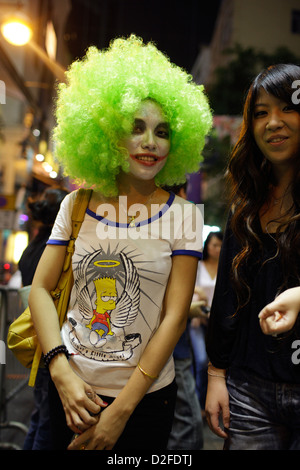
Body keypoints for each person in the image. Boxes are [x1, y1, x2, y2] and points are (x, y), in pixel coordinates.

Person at [28, 35, 212, 450]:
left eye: (162, 131)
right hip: (71, 392)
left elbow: (174, 317)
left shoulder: (185, 215)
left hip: (145, 400)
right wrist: (61, 372)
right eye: (136, 127)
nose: (150, 142)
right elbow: (40, 288)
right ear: (108, 134)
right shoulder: (76, 205)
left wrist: (121, 411)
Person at [205, 63, 300, 450]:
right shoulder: (244, 207)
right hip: (248, 392)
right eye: (261, 113)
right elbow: (228, 296)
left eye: (286, 108)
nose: (273, 122)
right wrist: (215, 374)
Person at [18, 187, 68, 450]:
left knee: (40, 418)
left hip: (39, 337)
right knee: (47, 423)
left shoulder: (33, 246)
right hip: (49, 339)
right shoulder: (53, 248)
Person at [165, 183, 204, 450]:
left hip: (173, 347)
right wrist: (188, 309)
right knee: (188, 422)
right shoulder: (175, 224)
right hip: (171, 349)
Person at [189, 231, 223, 412]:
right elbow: (188, 285)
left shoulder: (225, 266)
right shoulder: (198, 266)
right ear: (207, 246)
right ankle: (198, 405)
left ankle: (210, 404)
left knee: (217, 362)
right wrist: (199, 293)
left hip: (217, 321)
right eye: (214, 245)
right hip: (197, 318)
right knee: (201, 360)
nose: (217, 249)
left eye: (220, 245)